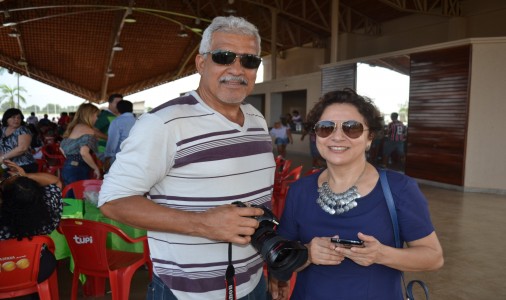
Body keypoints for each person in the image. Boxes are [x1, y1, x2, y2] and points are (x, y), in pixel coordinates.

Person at [98, 16, 275, 300]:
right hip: (187, 292)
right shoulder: (164, 123)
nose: (236, 69)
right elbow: (112, 201)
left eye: (249, 60)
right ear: (201, 63)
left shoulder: (256, 119)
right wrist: (202, 224)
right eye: (224, 56)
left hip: (254, 283)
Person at [271, 89, 443, 300]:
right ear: (316, 136)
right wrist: (306, 253)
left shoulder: (399, 188)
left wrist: (381, 254)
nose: (337, 136)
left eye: (351, 128)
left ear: (369, 137)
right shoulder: (300, 191)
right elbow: (281, 259)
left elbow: (433, 257)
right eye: (326, 128)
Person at [0, 159, 63, 284]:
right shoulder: (49, 207)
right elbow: (55, 181)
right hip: (38, 269)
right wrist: (26, 176)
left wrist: (5, 183)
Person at [60, 103, 101, 186]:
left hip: (68, 167)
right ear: (89, 115)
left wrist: (71, 159)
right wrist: (95, 168)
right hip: (78, 169)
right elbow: (84, 153)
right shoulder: (88, 130)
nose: (97, 118)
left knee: (70, 196)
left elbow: (61, 148)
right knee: (79, 196)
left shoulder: (75, 127)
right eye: (96, 115)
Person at [0, 108, 38, 173]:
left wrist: (3, 157)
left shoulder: (23, 130)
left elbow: (22, 148)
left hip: (24, 166)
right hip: (7, 166)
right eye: (13, 117)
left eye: (19, 118)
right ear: (7, 118)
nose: (16, 119)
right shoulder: (2, 130)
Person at [104, 100, 136, 172]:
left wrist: (108, 157)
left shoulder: (117, 121)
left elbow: (112, 141)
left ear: (118, 109)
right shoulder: (137, 121)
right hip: (135, 157)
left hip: (119, 158)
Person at [94, 93, 122, 159]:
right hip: (104, 150)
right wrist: (111, 139)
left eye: (121, 103)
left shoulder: (116, 116)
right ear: (110, 103)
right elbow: (94, 131)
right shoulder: (105, 116)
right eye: (117, 102)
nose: (119, 105)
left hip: (112, 150)